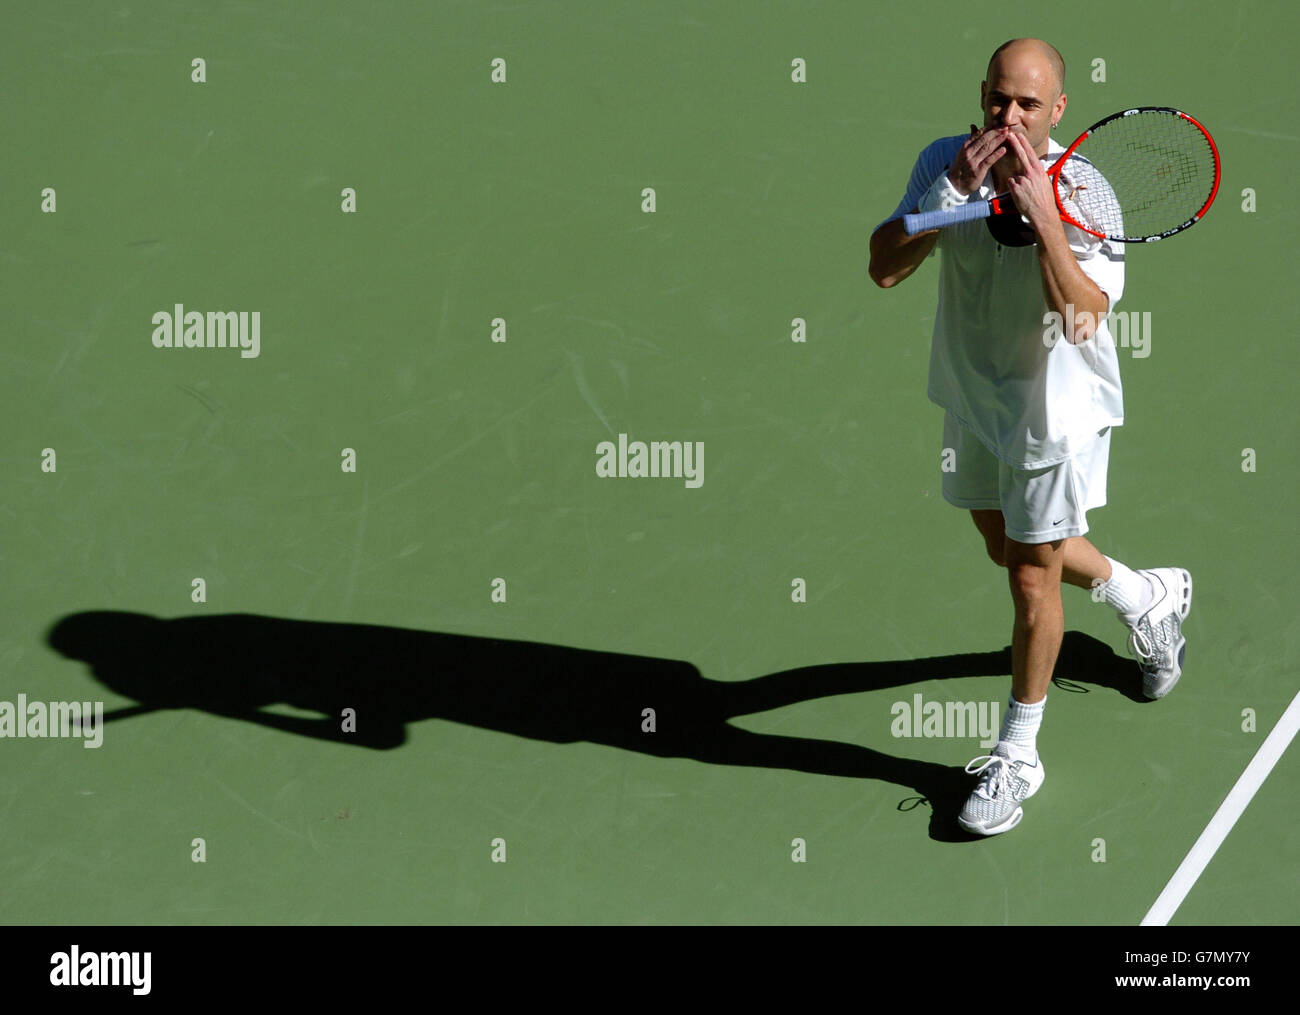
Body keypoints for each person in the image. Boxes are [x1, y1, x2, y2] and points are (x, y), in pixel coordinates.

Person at [868, 38, 1192, 836]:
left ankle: (1019, 754)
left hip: (1055, 415)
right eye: (997, 102)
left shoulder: (1089, 192)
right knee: (1003, 546)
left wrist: (1046, 217)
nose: (1008, 120)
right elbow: (882, 265)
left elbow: (1083, 316)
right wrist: (952, 195)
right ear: (982, 94)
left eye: (1027, 106)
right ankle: (1142, 593)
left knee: (1030, 581)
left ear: (1058, 112)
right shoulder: (946, 163)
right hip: (974, 396)